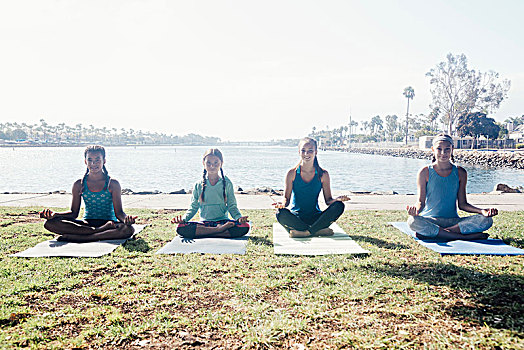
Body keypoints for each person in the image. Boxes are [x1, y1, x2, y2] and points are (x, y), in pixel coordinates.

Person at [406, 134, 498, 240]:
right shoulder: (424, 172)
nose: (443, 153)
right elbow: (420, 202)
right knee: (412, 221)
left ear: (452, 149)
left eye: (447, 149)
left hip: (454, 222)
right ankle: (463, 237)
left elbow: (463, 204)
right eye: (439, 149)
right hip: (430, 220)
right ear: (432, 149)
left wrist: (482, 211)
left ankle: (438, 233)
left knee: (487, 220)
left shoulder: (460, 172)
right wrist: (415, 211)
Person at [40, 145, 137, 242]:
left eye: (97, 160)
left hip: (109, 223)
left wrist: (126, 220)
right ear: (85, 161)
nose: (93, 163)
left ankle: (84, 237)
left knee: (128, 229)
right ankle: (97, 231)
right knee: (49, 223)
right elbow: (74, 214)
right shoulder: (79, 184)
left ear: (104, 161)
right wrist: (55, 215)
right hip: (87, 224)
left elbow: (119, 213)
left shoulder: (113, 184)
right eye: (90, 160)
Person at [273, 137, 349, 237]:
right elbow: (286, 200)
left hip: (316, 217)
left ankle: (306, 232)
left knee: (339, 206)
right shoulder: (292, 173)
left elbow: (328, 201)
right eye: (303, 151)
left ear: (316, 152)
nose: (306, 154)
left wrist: (337, 200)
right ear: (299, 152)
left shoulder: (323, 174)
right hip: (297, 218)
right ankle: (317, 230)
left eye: (310, 151)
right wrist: (281, 204)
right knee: (280, 213)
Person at [171, 148, 249, 239]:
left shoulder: (227, 183)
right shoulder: (198, 185)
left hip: (223, 222)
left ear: (221, 164)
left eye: (216, 162)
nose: (212, 166)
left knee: (245, 226)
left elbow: (232, 206)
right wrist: (184, 219)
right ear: (203, 163)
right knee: (181, 228)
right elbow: (193, 207)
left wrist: (239, 218)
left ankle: (207, 233)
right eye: (209, 163)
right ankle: (219, 231)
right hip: (205, 224)